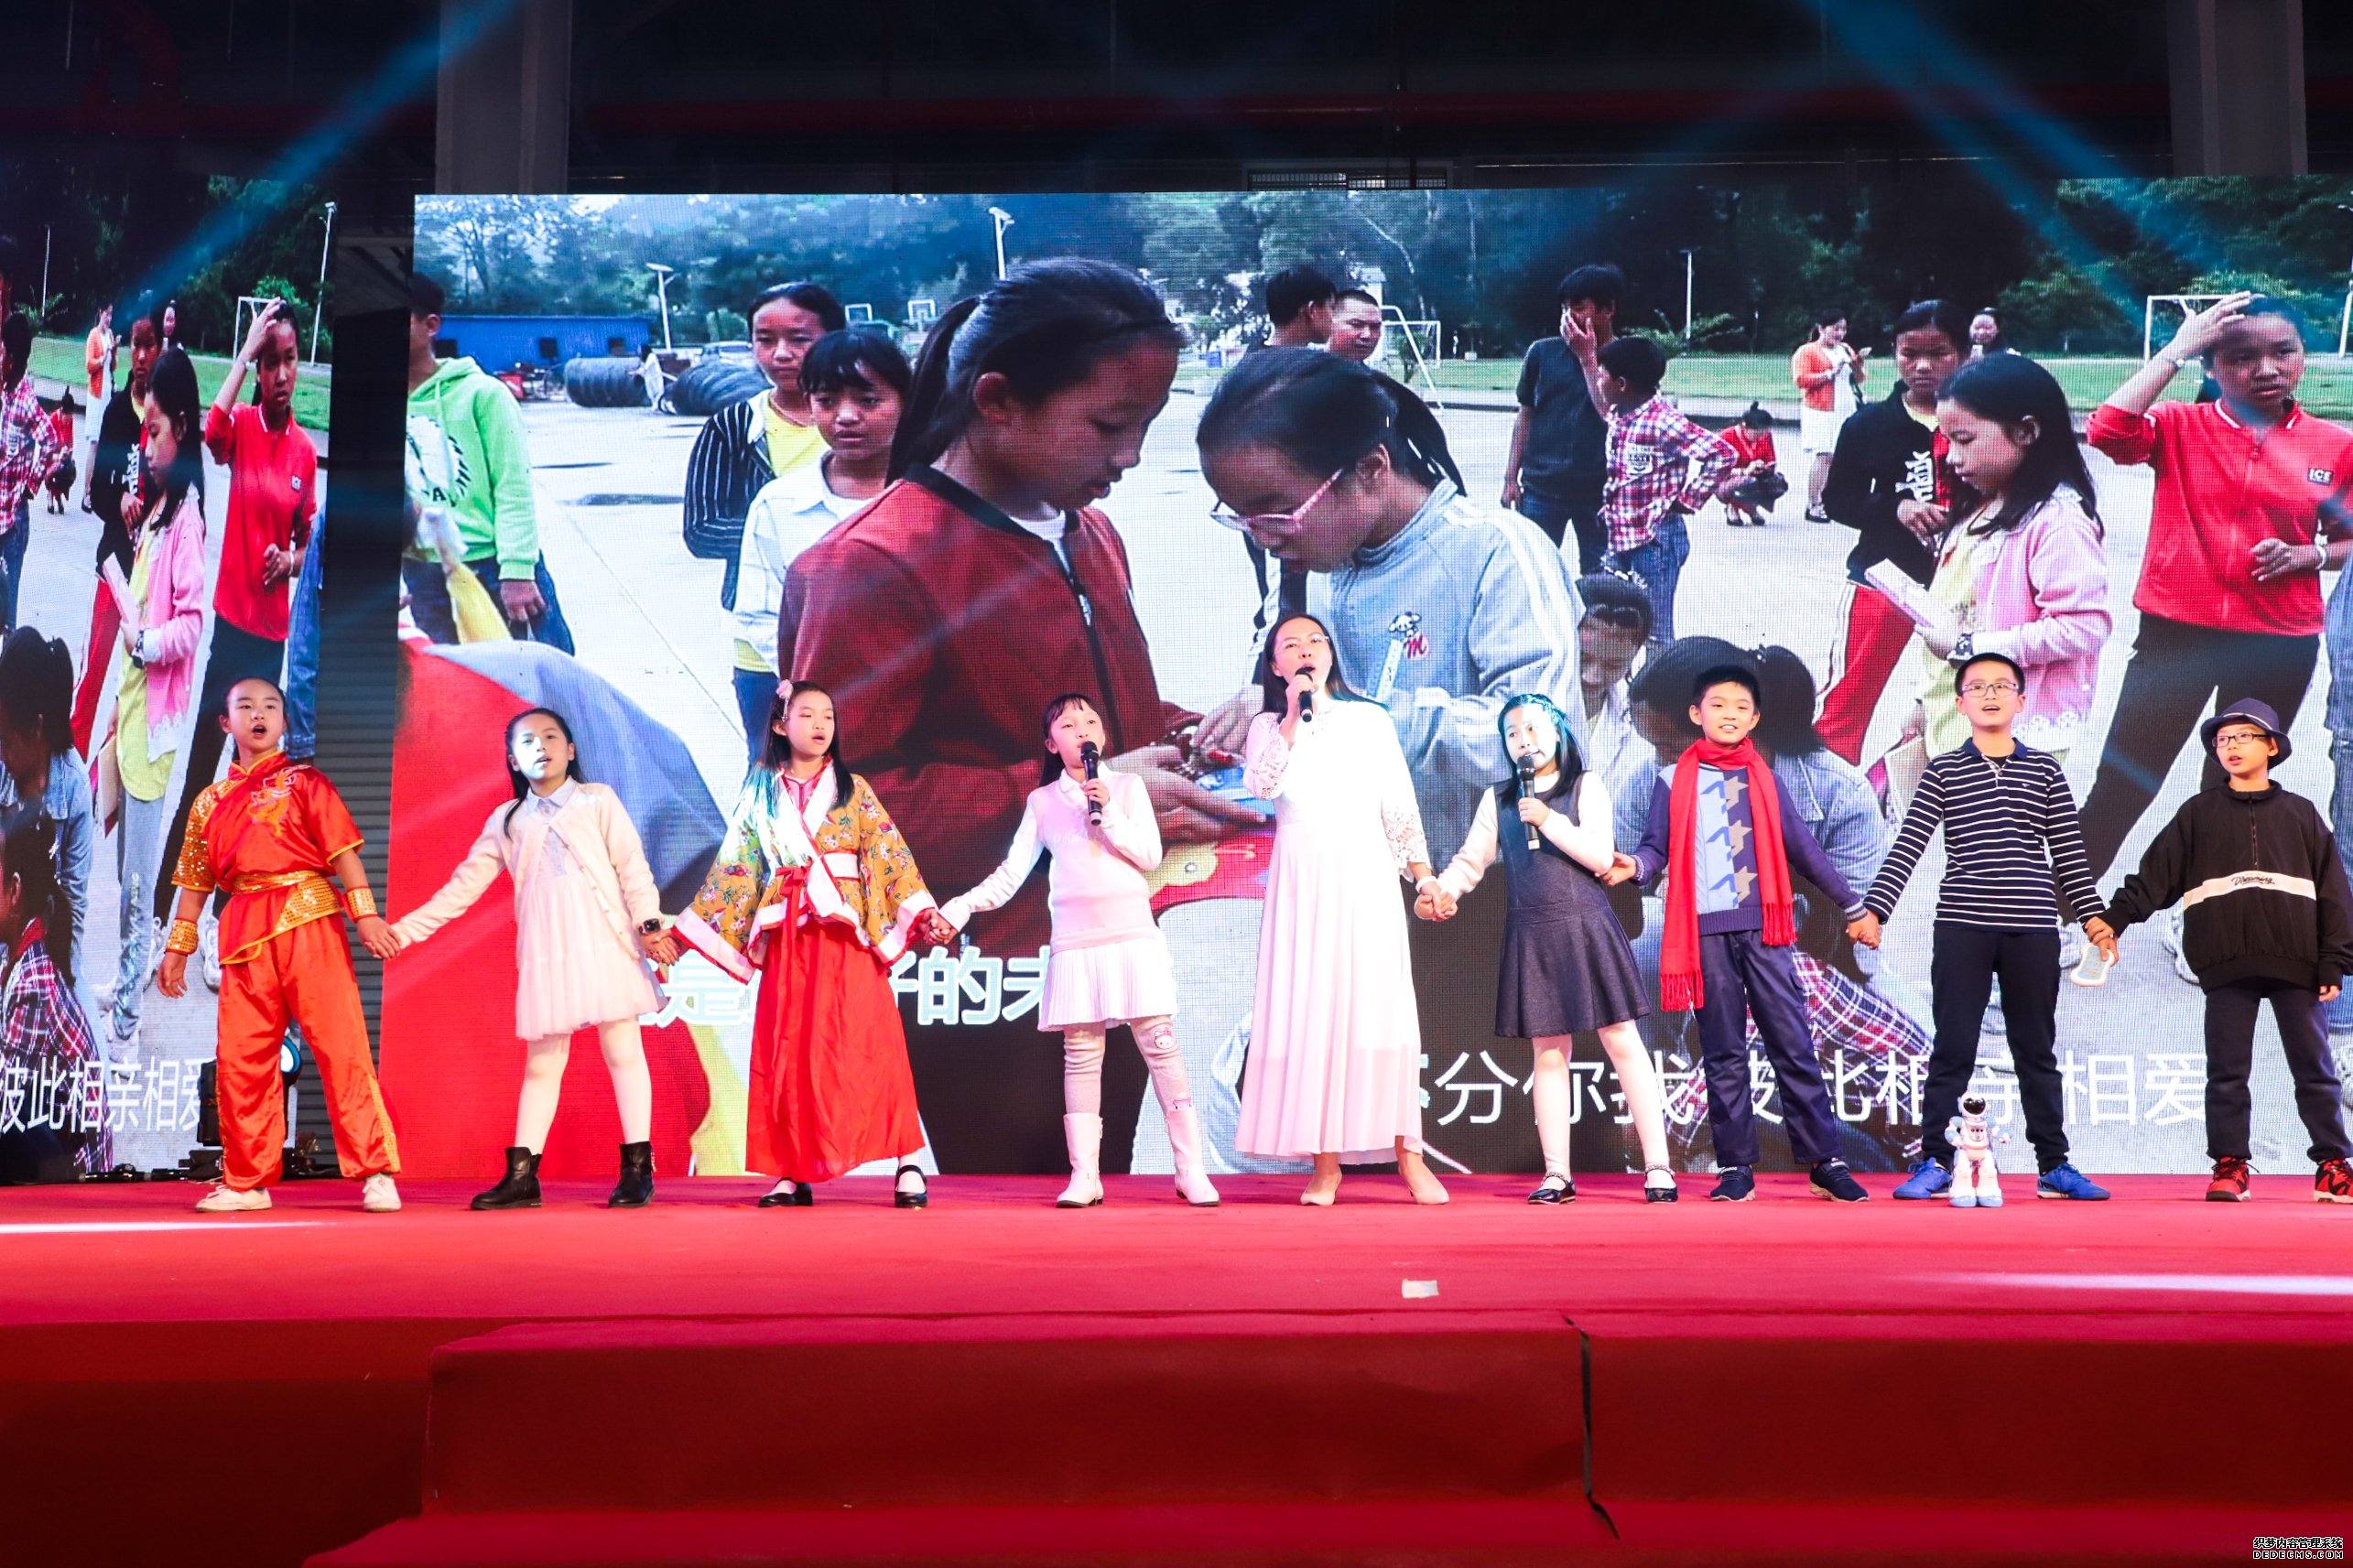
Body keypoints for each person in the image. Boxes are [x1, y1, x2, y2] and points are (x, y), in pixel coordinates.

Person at [780, 259, 1246, 1171]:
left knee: (1100, 1183)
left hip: (1112, 947)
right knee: (1027, 1211)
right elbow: (831, 810)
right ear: (996, 400)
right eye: (1108, 425)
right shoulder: (869, 565)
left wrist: (1202, 738)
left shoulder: (1088, 531)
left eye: (1145, 426)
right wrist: (1089, 795)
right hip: (987, 978)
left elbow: (1096, 718)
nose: (1128, 457)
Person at [2077, 293, 2353, 883]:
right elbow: (2106, 431)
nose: (2267, 369)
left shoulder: (2333, 444)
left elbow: (2347, 539)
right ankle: (2056, 905)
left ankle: (2204, 910)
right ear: (2211, 366)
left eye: (2284, 352)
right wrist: (2175, 350)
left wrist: (2308, 555)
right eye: (2242, 357)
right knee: (2125, 779)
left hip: (2278, 643)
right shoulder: (2179, 426)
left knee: (2234, 786)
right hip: (2176, 636)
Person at [937, 693, 1220, 1208]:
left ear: (1102, 735)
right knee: (1083, 1055)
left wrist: (1108, 813)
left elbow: (1150, 855)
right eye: (1068, 725)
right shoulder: (1042, 803)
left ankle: (1191, 1169)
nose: (1082, 729)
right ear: (1051, 743)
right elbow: (1010, 875)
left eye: (1089, 720)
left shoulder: (1127, 788)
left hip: (1131, 935)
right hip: (1075, 942)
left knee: (1161, 1047)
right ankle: (1085, 1175)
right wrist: (961, 906)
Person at [1850, 651, 2115, 1203]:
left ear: (2022, 701)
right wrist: (1875, 911)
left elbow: (2070, 856)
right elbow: (1908, 844)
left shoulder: (2046, 771)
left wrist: (2094, 919)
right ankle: (1935, 1161)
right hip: (1963, 926)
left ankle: (2054, 1166)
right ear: (1959, 703)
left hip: (2032, 929)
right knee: (1952, 1050)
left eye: (2002, 686)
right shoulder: (1944, 771)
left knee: (2036, 1051)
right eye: (1977, 687)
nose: (1990, 695)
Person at [390, 708, 678, 1209]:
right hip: (547, 951)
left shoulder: (597, 800)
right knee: (543, 1063)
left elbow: (632, 866)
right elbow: (461, 890)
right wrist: (401, 933)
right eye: (527, 741)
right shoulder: (508, 821)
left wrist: (649, 924)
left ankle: (637, 1171)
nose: (541, 746)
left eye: (551, 737)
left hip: (605, 939)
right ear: (512, 760)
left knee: (623, 1051)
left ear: (571, 750)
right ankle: (522, 1177)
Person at [676, 682, 951, 1207]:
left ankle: (908, 1160)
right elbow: (736, 867)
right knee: (789, 1049)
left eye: (827, 715)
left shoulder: (854, 788)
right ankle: (791, 1169)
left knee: (872, 1042)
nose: (821, 724)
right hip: (790, 936)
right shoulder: (760, 791)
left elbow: (888, 854)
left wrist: (923, 911)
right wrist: (686, 933)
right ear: (781, 725)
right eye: (806, 714)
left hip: (845, 934)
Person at [1606, 663, 1871, 1202]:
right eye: (1718, 705)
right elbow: (1656, 849)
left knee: (1792, 1044)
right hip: (1704, 936)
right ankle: (1735, 1168)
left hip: (1766, 932)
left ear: (1755, 719)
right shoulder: (1670, 781)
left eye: (1741, 708)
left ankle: (1824, 1162)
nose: (1729, 715)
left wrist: (1852, 906)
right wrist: (1635, 866)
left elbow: (1805, 851)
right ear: (1695, 714)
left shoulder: (1764, 780)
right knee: (1722, 1052)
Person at [161, 677, 404, 1213]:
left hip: (307, 916)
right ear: (225, 722)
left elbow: (343, 854)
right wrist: (178, 947)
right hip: (244, 928)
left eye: (270, 706)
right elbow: (195, 882)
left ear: (284, 722)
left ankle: (375, 1171)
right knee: (241, 1058)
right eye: (245, 706)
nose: (258, 714)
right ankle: (247, 1181)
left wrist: (365, 917)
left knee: (340, 1046)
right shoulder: (209, 802)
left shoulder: (305, 782)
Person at [2096, 700, 2353, 1205]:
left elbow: (2334, 893)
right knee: (2227, 1072)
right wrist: (2117, 918)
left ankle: (2333, 1166)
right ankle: (2230, 1166)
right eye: (2222, 740)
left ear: (2272, 746)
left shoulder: (2301, 813)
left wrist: (2334, 959)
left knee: (2315, 1070)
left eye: (2243, 737)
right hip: (2225, 964)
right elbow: (2156, 875)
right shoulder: (2198, 813)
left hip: (2298, 963)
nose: (2231, 747)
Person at [1426, 693, 1675, 1203]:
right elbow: (1471, 862)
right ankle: (1557, 1174)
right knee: (1548, 1053)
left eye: (1534, 729)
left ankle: (1658, 1167)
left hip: (1586, 926)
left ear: (1558, 733)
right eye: (1512, 733)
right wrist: (1442, 893)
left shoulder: (1585, 786)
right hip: (1532, 933)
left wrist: (1547, 819)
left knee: (1622, 1041)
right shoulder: (1499, 800)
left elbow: (1600, 856)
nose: (1524, 741)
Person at [1240, 614, 1448, 1206]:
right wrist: (1290, 717)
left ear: (1331, 653)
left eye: (1315, 640)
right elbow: (1261, 785)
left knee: (1381, 1012)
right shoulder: (1267, 727)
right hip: (1302, 881)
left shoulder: (1369, 719)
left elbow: (1398, 803)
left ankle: (1410, 1156)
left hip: (1366, 873)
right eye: (1291, 645)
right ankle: (1325, 1164)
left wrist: (1423, 876)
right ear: (1275, 665)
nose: (1306, 650)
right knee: (1313, 1013)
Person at [158, 301, 320, 945]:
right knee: (201, 775)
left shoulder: (305, 453)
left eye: (288, 360)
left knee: (247, 788)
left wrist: (291, 560)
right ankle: (158, 916)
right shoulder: (245, 429)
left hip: (269, 646)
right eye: (269, 361)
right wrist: (244, 351)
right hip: (228, 634)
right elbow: (211, 428)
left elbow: (310, 542)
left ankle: (221, 925)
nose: (280, 374)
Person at [1908, 353, 2112, 766]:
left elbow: (2083, 628)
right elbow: (1958, 612)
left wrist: (1972, 647)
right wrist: (1922, 704)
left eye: (1965, 440)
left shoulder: (2057, 521)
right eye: (1947, 441)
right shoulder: (1979, 506)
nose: (1951, 457)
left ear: (2026, 432)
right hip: (1954, 718)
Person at [684, 282, 849, 748]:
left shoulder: (863, 424)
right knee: (772, 765)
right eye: (765, 339)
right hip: (763, 643)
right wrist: (790, 533)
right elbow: (701, 530)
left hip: (860, 631)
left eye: (799, 339)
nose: (780, 354)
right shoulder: (732, 426)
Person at [98, 346, 208, 1045]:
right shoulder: (161, 506)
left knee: (138, 889)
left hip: (157, 727)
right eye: (145, 428)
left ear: (184, 428)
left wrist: (145, 643)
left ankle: (129, 1028)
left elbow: (191, 624)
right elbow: (143, 598)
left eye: (157, 430)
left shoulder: (188, 518)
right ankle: (129, 973)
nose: (147, 442)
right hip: (132, 712)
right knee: (124, 873)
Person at [730, 329, 905, 764]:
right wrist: (816, 686)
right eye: (826, 402)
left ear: (908, 403)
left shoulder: (937, 501)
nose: (846, 417)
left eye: (868, 401)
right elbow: (758, 612)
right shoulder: (779, 504)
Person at [1816, 299, 1969, 765]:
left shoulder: (1984, 422)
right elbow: (1837, 499)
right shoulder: (1868, 425)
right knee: (1848, 698)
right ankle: (1826, 788)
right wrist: (1895, 507)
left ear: (1964, 353)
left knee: (1960, 699)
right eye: (1909, 353)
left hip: (1966, 585)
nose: (1922, 366)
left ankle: (1917, 784)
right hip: (1884, 578)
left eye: (1938, 353)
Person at [404, 272, 574, 651]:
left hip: (493, 567)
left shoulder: (483, 395)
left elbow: (513, 486)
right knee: (456, 683)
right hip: (423, 574)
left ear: (431, 325)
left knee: (537, 681)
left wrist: (517, 571)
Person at [1580, 333, 1734, 643]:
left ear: (1622, 384)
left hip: (1655, 544)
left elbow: (1722, 453)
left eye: (1601, 375)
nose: (1597, 382)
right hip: (1621, 538)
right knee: (1611, 622)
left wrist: (1689, 499)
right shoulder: (1619, 414)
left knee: (1655, 631)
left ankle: (1661, 676)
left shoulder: (1663, 422)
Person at [0, 812, 108, 1179]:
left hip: (75, 1170)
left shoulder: (33, 980)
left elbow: (7, 1100)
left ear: (15, 890)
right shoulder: (20, 953)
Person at [72, 314, 158, 753]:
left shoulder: (168, 420)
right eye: (135, 345)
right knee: (90, 681)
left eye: (150, 345)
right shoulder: (117, 413)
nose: (141, 356)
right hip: (113, 571)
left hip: (151, 584)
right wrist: (120, 498)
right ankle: (70, 773)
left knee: (133, 697)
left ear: (161, 349)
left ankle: (104, 784)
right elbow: (98, 493)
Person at [0, 631, 95, 1019]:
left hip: (41, 952)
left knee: (90, 1044)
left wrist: (60, 987)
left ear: (36, 730)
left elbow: (73, 904)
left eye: (6, 740)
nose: (1, 752)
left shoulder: (75, 790)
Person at [1503, 264, 1622, 572]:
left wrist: (1588, 359)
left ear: (1608, 310)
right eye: (1565, 309)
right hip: (1542, 487)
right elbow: (1525, 416)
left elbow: (1615, 417)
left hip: (1600, 492)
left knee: (1601, 577)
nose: (1569, 317)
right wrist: (1510, 479)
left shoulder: (1626, 358)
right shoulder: (1541, 354)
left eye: (1579, 308)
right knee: (1533, 570)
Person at [1574, 574, 1655, 849]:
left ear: (1635, 658)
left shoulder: (1642, 729)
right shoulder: (1516, 708)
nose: (1592, 677)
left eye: (1613, 665)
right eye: (1582, 658)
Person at [0, 314, 66, 633]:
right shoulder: (5, 391)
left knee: (7, 614)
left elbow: (53, 443)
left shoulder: (26, 402)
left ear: (11, 359)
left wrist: (32, 483)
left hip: (13, 522)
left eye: (0, 351)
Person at [1792, 308, 1867, 523]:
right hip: (1820, 410)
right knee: (1823, 455)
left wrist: (1857, 365)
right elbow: (1801, 380)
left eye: (1843, 329)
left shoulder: (1845, 349)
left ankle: (1832, 500)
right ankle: (1814, 503)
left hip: (1845, 407)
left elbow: (1859, 379)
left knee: (1840, 456)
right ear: (1821, 329)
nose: (1840, 334)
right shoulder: (1807, 351)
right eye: (1835, 329)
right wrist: (1828, 374)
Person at [1719, 404, 1782, 527]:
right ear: (1745, 427)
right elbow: (1718, 469)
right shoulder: (1727, 436)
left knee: (1778, 483)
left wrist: (1764, 469)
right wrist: (1745, 471)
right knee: (1748, 482)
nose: (1761, 437)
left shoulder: (1766, 436)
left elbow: (1771, 461)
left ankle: (1751, 507)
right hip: (1728, 479)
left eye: (1764, 433)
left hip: (1755, 476)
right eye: (1757, 434)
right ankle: (1733, 507)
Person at [79, 305, 114, 511]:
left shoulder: (109, 335)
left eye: (111, 315)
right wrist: (103, 357)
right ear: (100, 313)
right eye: (107, 314)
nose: (109, 318)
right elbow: (89, 365)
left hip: (107, 392)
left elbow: (113, 366)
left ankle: (100, 491)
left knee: (105, 443)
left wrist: (113, 351)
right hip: (95, 395)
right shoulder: (93, 336)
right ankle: (86, 494)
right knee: (94, 442)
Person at [1255, 265, 1335, 351]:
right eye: (1332, 307)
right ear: (1312, 310)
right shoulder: (1320, 360)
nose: (1334, 317)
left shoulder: (1248, 358)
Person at [1328, 287, 1384, 364]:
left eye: (1375, 327)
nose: (1367, 335)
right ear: (1330, 324)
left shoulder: (1372, 373)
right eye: (1357, 325)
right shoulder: (1312, 369)